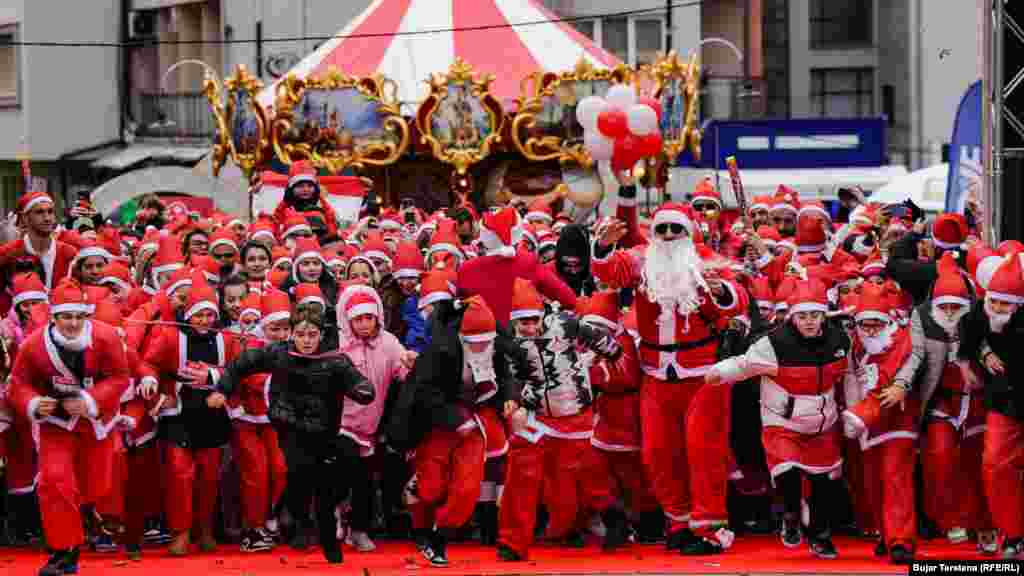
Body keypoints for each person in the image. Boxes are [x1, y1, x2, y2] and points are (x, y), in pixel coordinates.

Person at [592, 199, 741, 555]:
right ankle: (679, 521)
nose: (670, 235)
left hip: (704, 374)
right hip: (656, 373)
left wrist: (720, 291)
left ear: (688, 232)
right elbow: (608, 272)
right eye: (663, 229)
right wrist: (602, 246)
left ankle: (709, 528)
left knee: (704, 451)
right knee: (659, 452)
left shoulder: (706, 261)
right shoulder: (642, 259)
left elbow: (737, 300)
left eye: (677, 229)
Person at [216, 305, 374, 564]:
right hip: (289, 428)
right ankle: (297, 521)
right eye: (301, 335)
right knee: (299, 478)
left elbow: (357, 382)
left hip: (324, 433)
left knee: (325, 491)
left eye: (312, 335)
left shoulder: (335, 360)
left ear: (320, 334)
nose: (306, 341)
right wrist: (223, 389)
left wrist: (363, 389)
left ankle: (328, 544)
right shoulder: (279, 353)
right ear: (292, 334)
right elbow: (242, 364)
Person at [705, 280, 849, 560]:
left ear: (824, 315)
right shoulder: (774, 342)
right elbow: (745, 364)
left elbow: (851, 375)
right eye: (802, 316)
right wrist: (719, 372)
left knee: (822, 484)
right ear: (792, 316)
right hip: (783, 422)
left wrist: (854, 411)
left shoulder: (840, 340)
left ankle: (820, 536)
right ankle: (791, 515)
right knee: (787, 472)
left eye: (814, 315)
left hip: (823, 423)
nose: (809, 321)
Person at [385, 296, 524, 567]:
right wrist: (454, 418)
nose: (483, 347)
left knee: (468, 487)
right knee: (431, 486)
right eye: (477, 343)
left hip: (476, 422)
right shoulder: (440, 350)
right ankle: (420, 511)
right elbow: (423, 392)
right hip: (437, 422)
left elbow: (505, 374)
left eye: (488, 341)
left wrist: (510, 396)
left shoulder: (494, 346)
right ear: (462, 337)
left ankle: (440, 538)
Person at [7, 279, 131, 576]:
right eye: (66, 316)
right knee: (54, 480)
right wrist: (35, 403)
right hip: (56, 423)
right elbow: (18, 384)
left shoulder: (106, 338)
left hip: (94, 421)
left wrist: (90, 400)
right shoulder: (33, 345)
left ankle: (85, 512)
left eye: (78, 316)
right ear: (54, 317)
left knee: (94, 486)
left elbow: (120, 378)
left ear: (86, 315)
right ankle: (64, 553)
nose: (73, 323)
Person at [497, 279, 626, 562]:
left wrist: (613, 353)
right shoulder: (509, 342)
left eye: (533, 321)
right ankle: (512, 541)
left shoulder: (564, 323)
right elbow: (510, 376)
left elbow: (592, 333)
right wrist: (512, 400)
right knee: (522, 472)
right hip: (536, 414)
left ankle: (614, 518)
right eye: (523, 323)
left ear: (542, 314)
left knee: (588, 474)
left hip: (575, 411)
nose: (529, 328)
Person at [890, 252, 995, 553]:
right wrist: (902, 382)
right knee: (939, 458)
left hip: (975, 400)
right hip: (941, 400)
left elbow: (987, 343)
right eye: (944, 306)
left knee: (978, 464)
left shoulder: (979, 315)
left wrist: (985, 355)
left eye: (955, 307)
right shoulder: (921, 316)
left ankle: (985, 523)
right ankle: (953, 519)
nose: (950, 312)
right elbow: (916, 354)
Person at [141, 281, 240, 556]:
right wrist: (153, 387)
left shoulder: (227, 339)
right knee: (179, 475)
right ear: (187, 314)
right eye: (199, 315)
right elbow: (148, 362)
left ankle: (205, 528)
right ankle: (180, 531)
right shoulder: (171, 337)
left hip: (211, 415)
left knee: (209, 477)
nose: (205, 320)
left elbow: (239, 368)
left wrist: (217, 380)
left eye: (209, 315)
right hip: (179, 416)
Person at [839, 283, 917, 564]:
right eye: (865, 325)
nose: (871, 330)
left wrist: (858, 415)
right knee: (873, 481)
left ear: (887, 321)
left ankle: (901, 540)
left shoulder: (901, 341)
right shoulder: (856, 343)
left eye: (876, 324)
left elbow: (887, 381)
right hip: (866, 425)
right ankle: (886, 534)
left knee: (896, 478)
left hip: (896, 419)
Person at [336, 284, 417, 552]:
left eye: (368, 318)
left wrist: (410, 364)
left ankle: (359, 528)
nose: (363, 324)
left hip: (369, 427)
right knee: (346, 471)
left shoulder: (389, 343)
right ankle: (340, 515)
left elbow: (402, 371)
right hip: (340, 425)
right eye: (358, 319)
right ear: (348, 320)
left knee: (365, 482)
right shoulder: (338, 345)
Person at [958, 252, 1024, 559]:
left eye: (1005, 304)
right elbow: (967, 333)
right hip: (1003, 400)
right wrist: (980, 355)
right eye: (994, 301)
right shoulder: (978, 312)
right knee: (995, 462)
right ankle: (1012, 534)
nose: (998, 308)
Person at [457, 207, 577, 325]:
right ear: (518, 234)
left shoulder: (467, 269)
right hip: (521, 338)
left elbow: (458, 307)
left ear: (484, 237)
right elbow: (569, 300)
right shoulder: (528, 262)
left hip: (482, 339)